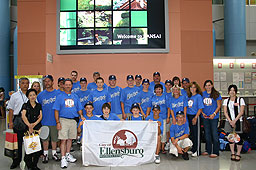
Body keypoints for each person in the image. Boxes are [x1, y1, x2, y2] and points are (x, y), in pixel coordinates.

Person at [53, 78, 85, 168]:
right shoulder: (60, 96)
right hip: (63, 120)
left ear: (72, 86)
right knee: (63, 139)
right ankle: (63, 158)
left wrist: (81, 116)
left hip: (73, 120)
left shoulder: (75, 96)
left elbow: (79, 108)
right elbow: (56, 110)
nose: (67, 86)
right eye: (66, 84)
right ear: (63, 85)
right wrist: (57, 122)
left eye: (69, 84)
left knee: (70, 139)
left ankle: (67, 154)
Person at [37, 75, 61, 163]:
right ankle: (45, 154)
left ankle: (54, 153)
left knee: (55, 139)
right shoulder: (40, 95)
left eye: (48, 81)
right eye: (45, 81)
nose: (47, 83)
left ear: (52, 82)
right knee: (45, 139)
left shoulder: (58, 94)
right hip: (44, 121)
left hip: (55, 121)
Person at [7, 77, 29, 169]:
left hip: (29, 121)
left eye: (27, 83)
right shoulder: (14, 96)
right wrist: (11, 122)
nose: (25, 85)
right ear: (19, 84)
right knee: (18, 143)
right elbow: (11, 110)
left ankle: (28, 161)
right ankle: (16, 160)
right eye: (23, 83)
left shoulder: (31, 95)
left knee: (28, 142)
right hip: (18, 120)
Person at [21, 89, 42, 170]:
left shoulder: (39, 105)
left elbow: (40, 117)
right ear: (28, 97)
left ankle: (35, 165)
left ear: (36, 95)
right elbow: (23, 116)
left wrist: (34, 125)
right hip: (27, 129)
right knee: (29, 147)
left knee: (37, 148)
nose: (32, 96)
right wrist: (29, 126)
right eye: (30, 95)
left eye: (34, 95)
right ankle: (29, 165)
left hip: (37, 128)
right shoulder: (25, 105)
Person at [223, 84, 245, 162]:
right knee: (231, 138)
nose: (232, 92)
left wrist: (235, 120)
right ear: (228, 92)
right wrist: (230, 121)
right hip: (229, 121)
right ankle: (232, 153)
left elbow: (241, 111)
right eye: (230, 90)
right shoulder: (226, 101)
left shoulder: (240, 100)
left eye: (233, 90)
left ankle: (238, 153)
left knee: (239, 138)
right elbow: (225, 112)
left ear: (236, 92)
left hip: (239, 121)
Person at [201, 80, 222, 158]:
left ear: (212, 85)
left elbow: (219, 106)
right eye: (206, 85)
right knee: (207, 134)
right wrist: (202, 113)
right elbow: (201, 105)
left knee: (214, 134)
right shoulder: (202, 94)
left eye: (209, 85)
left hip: (214, 117)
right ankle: (208, 150)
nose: (208, 87)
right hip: (205, 117)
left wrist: (214, 114)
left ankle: (216, 151)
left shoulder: (216, 94)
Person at [148, 84, 170, 153]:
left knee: (163, 132)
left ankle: (162, 147)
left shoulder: (165, 97)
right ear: (154, 90)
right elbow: (149, 107)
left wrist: (168, 117)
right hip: (153, 117)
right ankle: (155, 146)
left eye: (159, 89)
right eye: (157, 89)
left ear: (162, 90)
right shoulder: (152, 97)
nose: (158, 90)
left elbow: (169, 108)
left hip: (163, 117)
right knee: (154, 132)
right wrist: (147, 116)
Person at [187, 81, 204, 157]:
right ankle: (193, 149)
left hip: (195, 116)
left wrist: (196, 117)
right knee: (192, 134)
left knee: (197, 134)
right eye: (191, 87)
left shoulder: (198, 96)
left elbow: (200, 109)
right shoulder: (189, 97)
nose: (192, 89)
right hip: (189, 116)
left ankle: (198, 150)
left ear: (196, 88)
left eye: (194, 87)